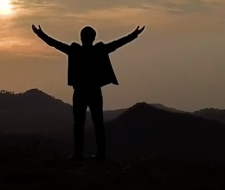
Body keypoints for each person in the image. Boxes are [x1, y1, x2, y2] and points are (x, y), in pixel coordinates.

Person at [31, 24, 145, 161]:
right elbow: (118, 44)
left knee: (81, 124)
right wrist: (133, 35)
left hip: (81, 92)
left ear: (82, 38)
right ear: (93, 38)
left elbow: (55, 44)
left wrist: (40, 34)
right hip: (93, 91)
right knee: (96, 123)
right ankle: (98, 154)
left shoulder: (76, 51)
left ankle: (81, 153)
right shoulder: (97, 51)